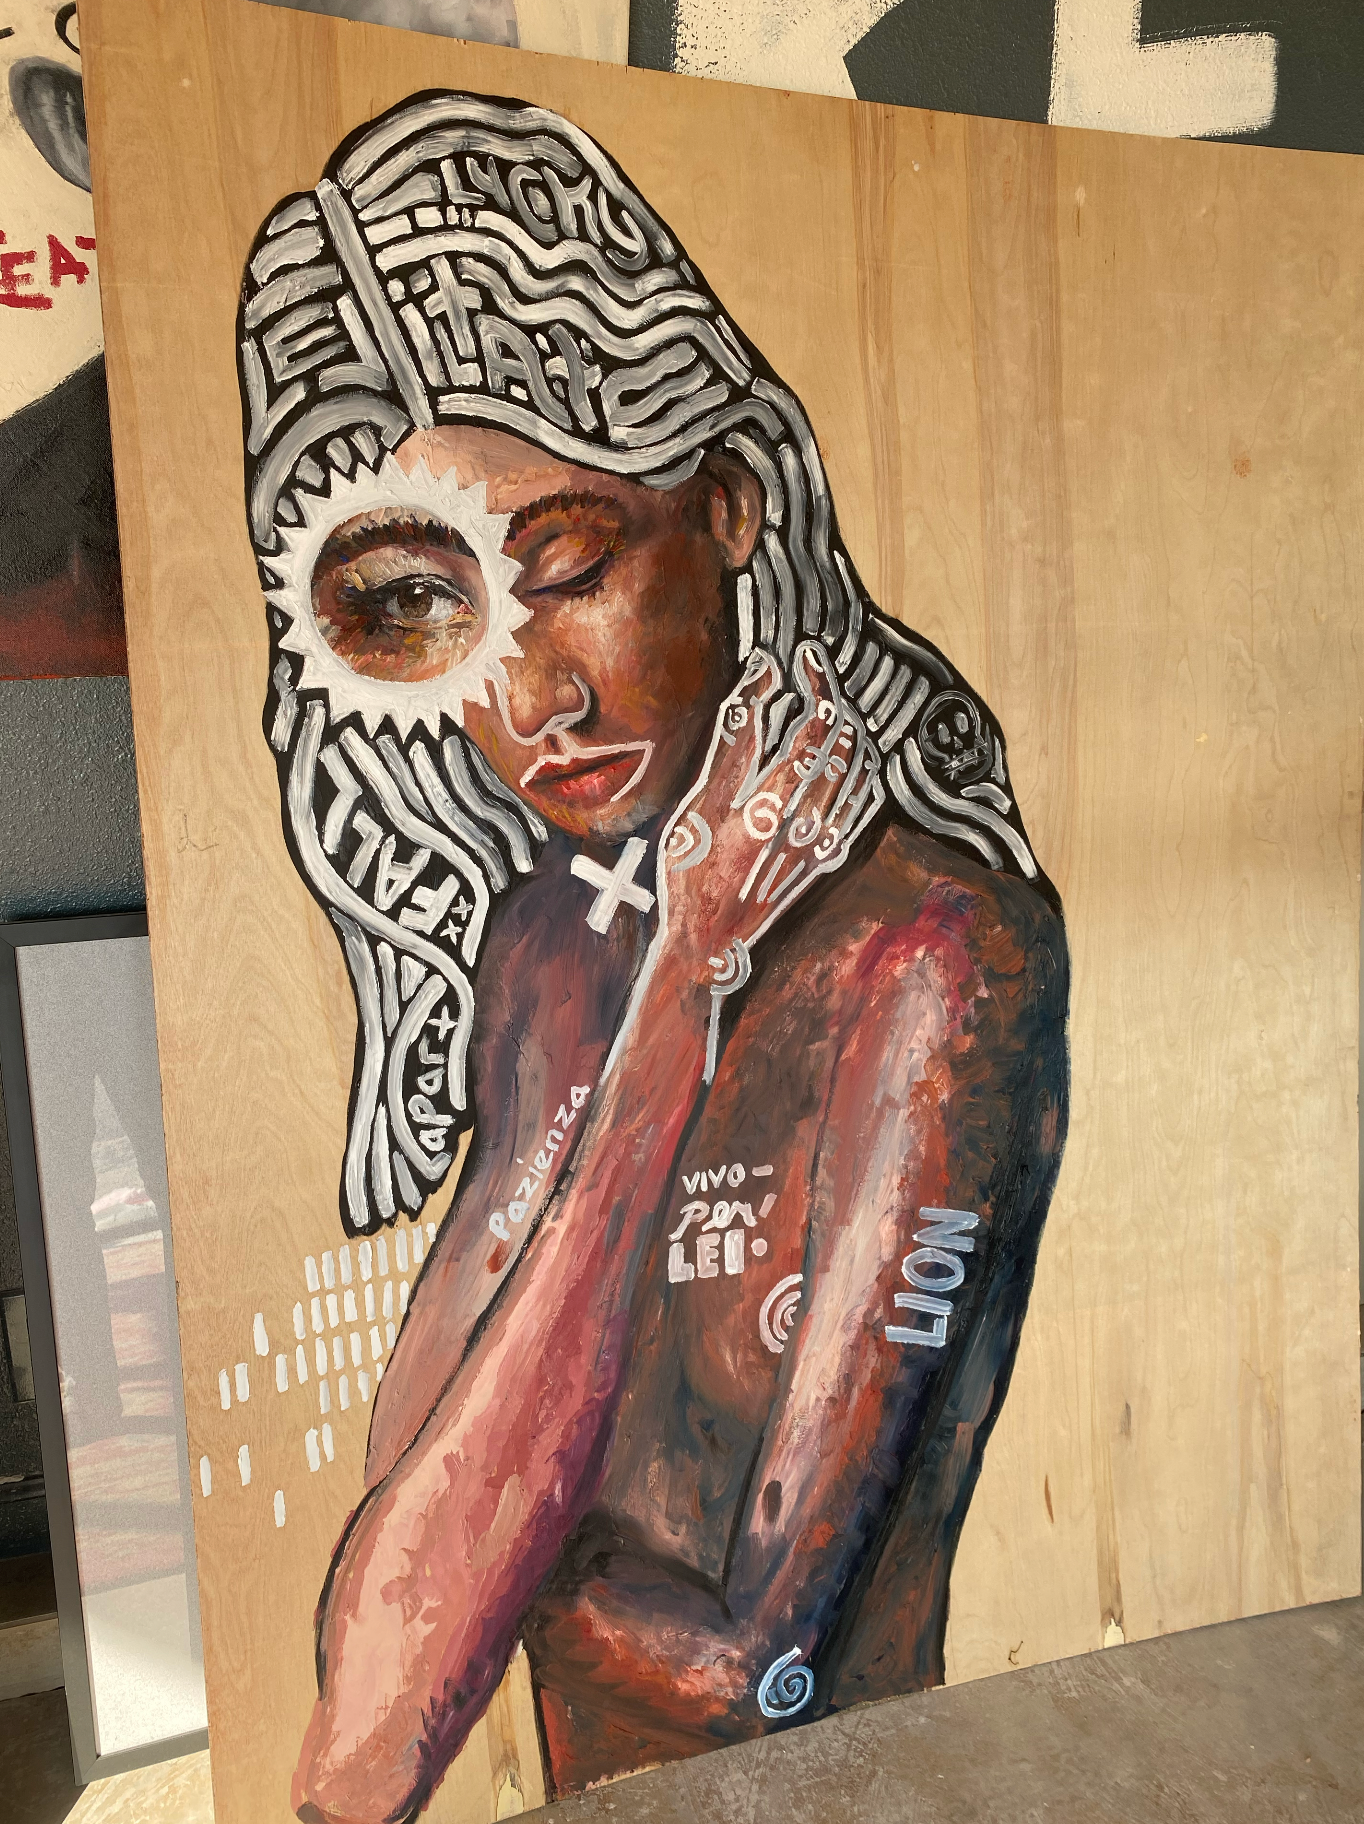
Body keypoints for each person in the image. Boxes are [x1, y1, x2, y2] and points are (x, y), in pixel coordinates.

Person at [236, 90, 1069, 1824]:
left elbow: (766, 1673)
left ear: (732, 505)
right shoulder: (554, 951)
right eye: (435, 613)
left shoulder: (934, 960)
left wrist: (465, 1542)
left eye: (572, 568)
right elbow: (367, 1726)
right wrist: (673, 1000)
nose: (530, 701)